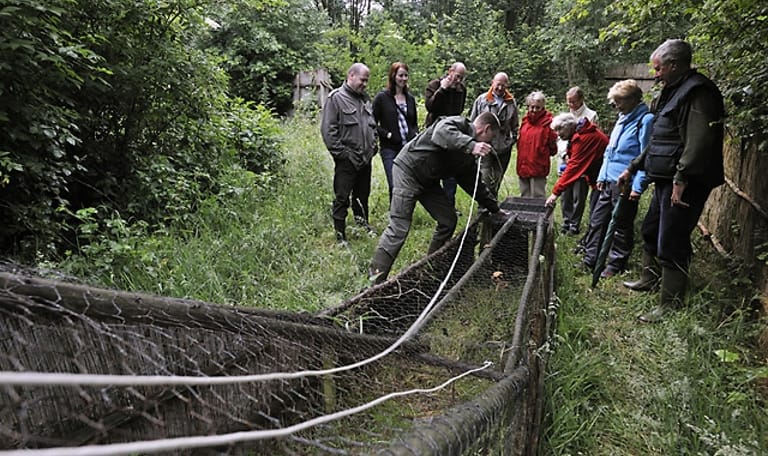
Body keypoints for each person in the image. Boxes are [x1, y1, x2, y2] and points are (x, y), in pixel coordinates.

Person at [617, 39, 725, 323]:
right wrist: (634, 166)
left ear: (674, 65)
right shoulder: (671, 91)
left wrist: (682, 176)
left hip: (685, 181)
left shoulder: (698, 93)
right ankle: (649, 279)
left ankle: (670, 304)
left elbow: (699, 141)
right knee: (652, 229)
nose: (656, 74)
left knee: (673, 237)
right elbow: (659, 138)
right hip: (666, 178)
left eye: (658, 68)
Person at [368, 112, 505, 283]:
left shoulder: (468, 157)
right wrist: (471, 145)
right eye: (490, 138)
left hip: (428, 181)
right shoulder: (459, 124)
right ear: (486, 129)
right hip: (408, 171)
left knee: (448, 220)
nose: (489, 144)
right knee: (399, 228)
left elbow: (473, 183)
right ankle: (374, 281)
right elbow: (440, 133)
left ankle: (429, 269)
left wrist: (495, 208)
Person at [580, 79, 653, 278]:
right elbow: (609, 152)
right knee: (597, 220)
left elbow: (646, 156)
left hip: (626, 182)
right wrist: (602, 175)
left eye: (619, 101)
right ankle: (591, 259)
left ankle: (615, 264)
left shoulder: (645, 120)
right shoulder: (622, 118)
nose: (616, 106)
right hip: (608, 180)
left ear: (633, 99)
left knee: (621, 224)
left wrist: (638, 186)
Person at [320, 63, 378, 244]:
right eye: (363, 80)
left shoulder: (365, 99)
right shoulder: (335, 99)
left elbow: (373, 126)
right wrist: (342, 154)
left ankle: (362, 226)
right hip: (347, 159)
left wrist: (374, 145)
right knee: (342, 197)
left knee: (362, 196)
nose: (365, 84)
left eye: (366, 81)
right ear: (351, 75)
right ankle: (340, 235)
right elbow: (328, 130)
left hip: (365, 158)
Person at [545, 114, 607, 235]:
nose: (558, 133)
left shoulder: (584, 138)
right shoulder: (578, 135)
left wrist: (554, 193)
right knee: (596, 213)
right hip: (598, 180)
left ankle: (593, 244)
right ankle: (590, 241)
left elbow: (574, 166)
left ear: (569, 127)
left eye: (560, 129)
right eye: (556, 130)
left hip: (605, 180)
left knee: (597, 215)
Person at [373, 62, 419, 202]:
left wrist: (415, 134)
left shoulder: (410, 99)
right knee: (394, 184)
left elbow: (414, 122)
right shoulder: (382, 98)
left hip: (408, 148)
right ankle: (394, 216)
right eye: (400, 75)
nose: (403, 79)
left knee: (407, 183)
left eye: (406, 75)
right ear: (393, 76)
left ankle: (403, 213)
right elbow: (372, 122)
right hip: (390, 148)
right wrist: (388, 135)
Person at [468, 72, 519, 197]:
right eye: (498, 84)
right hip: (485, 145)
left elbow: (515, 125)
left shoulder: (511, 102)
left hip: (504, 147)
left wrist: (512, 140)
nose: (500, 88)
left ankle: (493, 204)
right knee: (484, 177)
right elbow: (472, 122)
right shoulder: (482, 100)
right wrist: (474, 142)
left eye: (503, 85)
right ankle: (484, 206)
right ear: (492, 83)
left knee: (497, 178)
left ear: (507, 85)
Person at [425, 62, 468, 209]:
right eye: (457, 76)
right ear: (450, 71)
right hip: (434, 133)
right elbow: (430, 107)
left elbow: (459, 111)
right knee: (434, 169)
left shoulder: (461, 89)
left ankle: (449, 206)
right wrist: (443, 90)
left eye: (461, 78)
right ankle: (436, 205)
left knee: (451, 172)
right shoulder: (434, 85)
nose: (458, 80)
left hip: (452, 134)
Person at [558, 87, 600, 235]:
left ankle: (575, 224)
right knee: (565, 194)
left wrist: (577, 157)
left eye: (573, 101)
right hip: (566, 160)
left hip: (582, 162)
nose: (570, 104)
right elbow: (560, 139)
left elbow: (592, 140)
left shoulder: (591, 115)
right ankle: (566, 221)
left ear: (581, 100)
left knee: (579, 194)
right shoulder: (565, 115)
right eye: (568, 101)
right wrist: (564, 155)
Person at [516, 91, 557, 198]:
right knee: (524, 197)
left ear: (543, 107)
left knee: (538, 198)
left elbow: (553, 148)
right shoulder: (525, 122)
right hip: (523, 166)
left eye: (538, 107)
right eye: (532, 107)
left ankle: (542, 215)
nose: (534, 110)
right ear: (528, 106)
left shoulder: (549, 123)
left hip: (538, 167)